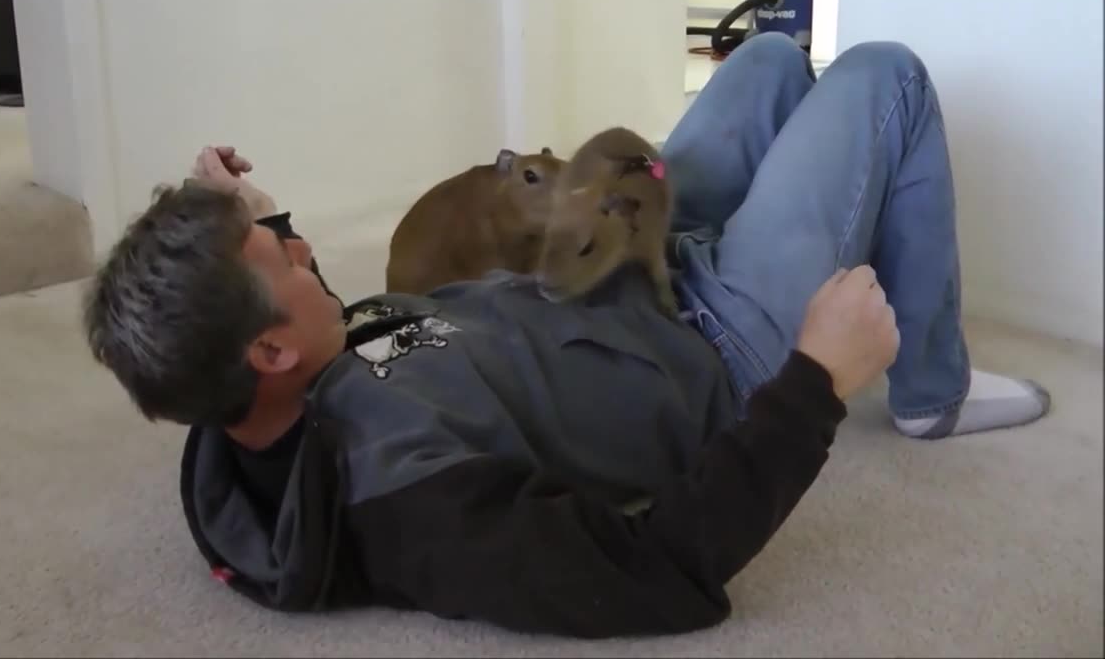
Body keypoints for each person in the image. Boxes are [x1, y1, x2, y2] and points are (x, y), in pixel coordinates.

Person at [82, 34, 1050, 639]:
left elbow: (308, 333)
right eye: (282, 256)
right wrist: (814, 379)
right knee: (886, 77)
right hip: (722, 349)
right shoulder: (409, 503)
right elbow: (653, 573)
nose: (302, 248)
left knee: (763, 61)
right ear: (267, 353)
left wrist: (227, 220)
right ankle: (929, 394)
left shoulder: (252, 403)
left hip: (616, 269)